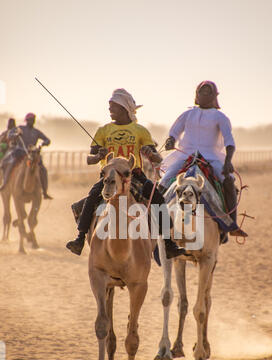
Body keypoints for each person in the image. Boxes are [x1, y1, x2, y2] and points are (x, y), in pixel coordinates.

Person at [66, 88, 186, 258]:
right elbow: (89, 159)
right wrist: (98, 156)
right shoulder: (103, 131)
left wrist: (150, 154)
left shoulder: (140, 130)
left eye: (112, 106)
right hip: (108, 177)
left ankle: (168, 243)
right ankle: (79, 239)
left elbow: (158, 159)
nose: (109, 109)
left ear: (124, 108)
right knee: (92, 197)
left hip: (133, 176)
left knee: (157, 197)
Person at [159, 81, 248, 237]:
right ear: (196, 95)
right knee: (164, 182)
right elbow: (174, 132)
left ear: (214, 96)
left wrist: (228, 162)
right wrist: (170, 140)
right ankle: (155, 221)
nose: (204, 95)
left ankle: (231, 224)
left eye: (208, 92)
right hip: (185, 155)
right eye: (201, 92)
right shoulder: (187, 114)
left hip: (211, 157)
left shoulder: (220, 117)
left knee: (228, 181)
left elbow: (229, 142)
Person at [18, 113, 53, 199]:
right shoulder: (21, 129)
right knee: (9, 165)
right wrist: (15, 134)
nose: (31, 121)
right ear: (26, 120)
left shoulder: (36, 132)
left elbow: (47, 140)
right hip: (22, 155)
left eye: (33, 120)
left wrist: (42, 143)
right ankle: (6, 184)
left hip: (34, 156)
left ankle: (44, 192)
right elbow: (11, 133)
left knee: (43, 170)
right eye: (30, 120)